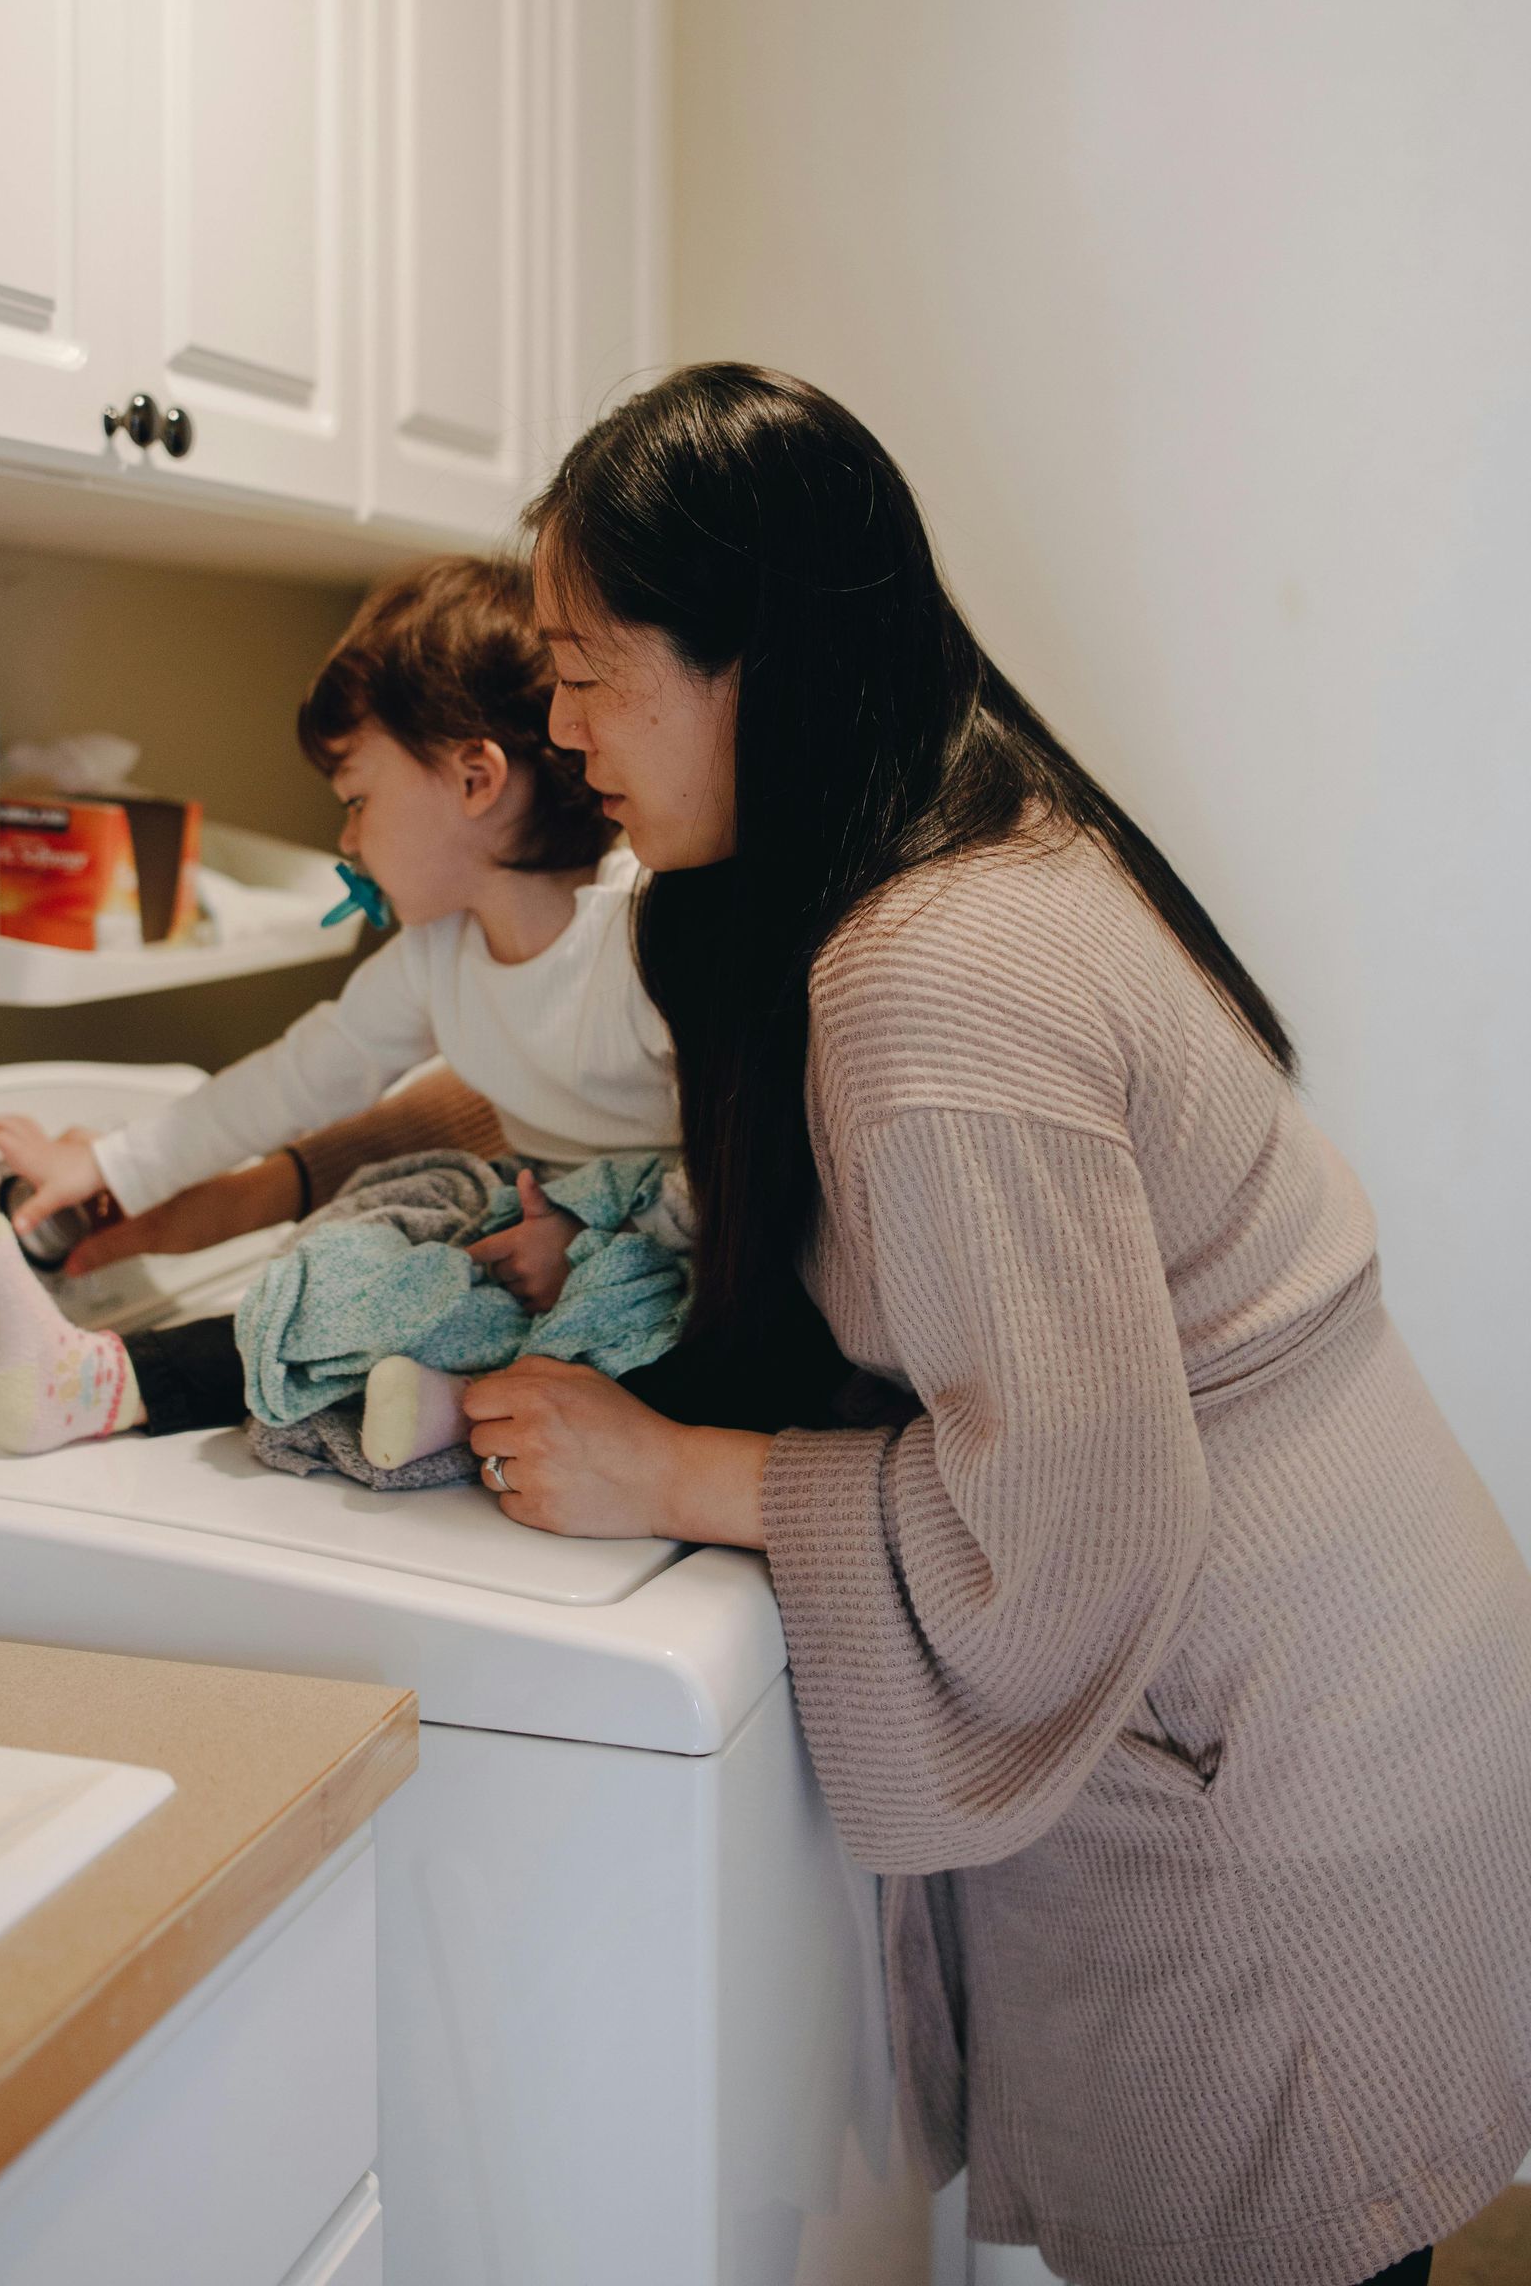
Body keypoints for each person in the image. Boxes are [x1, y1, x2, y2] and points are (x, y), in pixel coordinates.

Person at [457, 362, 1531, 2286]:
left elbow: (1064, 1536)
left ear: (749, 660)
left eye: (587, 664)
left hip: (1255, 1756)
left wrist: (676, 1471)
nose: (559, 722)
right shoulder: (973, 834)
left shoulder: (928, 983)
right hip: (1360, 1639)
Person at [0, 555, 685, 1461]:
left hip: (672, 1247)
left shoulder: (643, 931)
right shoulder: (435, 955)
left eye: (358, 800)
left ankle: (452, 1406)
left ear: (474, 779)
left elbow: (744, 1158)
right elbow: (302, 1074)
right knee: (348, 1270)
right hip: (532, 1221)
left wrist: (588, 1243)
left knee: (620, 1318)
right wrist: (111, 1166)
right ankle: (95, 1382)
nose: (346, 840)